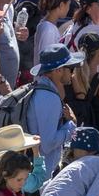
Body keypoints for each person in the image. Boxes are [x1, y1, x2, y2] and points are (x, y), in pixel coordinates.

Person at [28, 44, 82, 172]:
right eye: (71, 68)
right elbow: (48, 143)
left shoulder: (42, 91)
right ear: (58, 70)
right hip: (42, 175)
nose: (73, 74)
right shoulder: (49, 98)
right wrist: (71, 124)